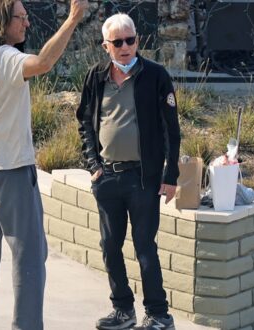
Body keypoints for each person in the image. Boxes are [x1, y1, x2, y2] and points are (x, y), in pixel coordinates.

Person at [0, 0, 88, 329]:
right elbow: (45, 63)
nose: (26, 24)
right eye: (20, 19)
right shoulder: (8, 58)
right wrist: (73, 18)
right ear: (2, 23)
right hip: (12, 175)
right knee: (30, 263)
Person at [76, 13, 181, 330]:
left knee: (145, 248)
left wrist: (170, 175)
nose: (125, 47)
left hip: (143, 179)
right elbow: (84, 123)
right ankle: (123, 310)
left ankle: (159, 314)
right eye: (118, 42)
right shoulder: (96, 76)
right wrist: (93, 166)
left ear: (137, 40)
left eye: (131, 40)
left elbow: (171, 130)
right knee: (110, 247)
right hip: (107, 178)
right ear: (106, 45)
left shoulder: (155, 75)